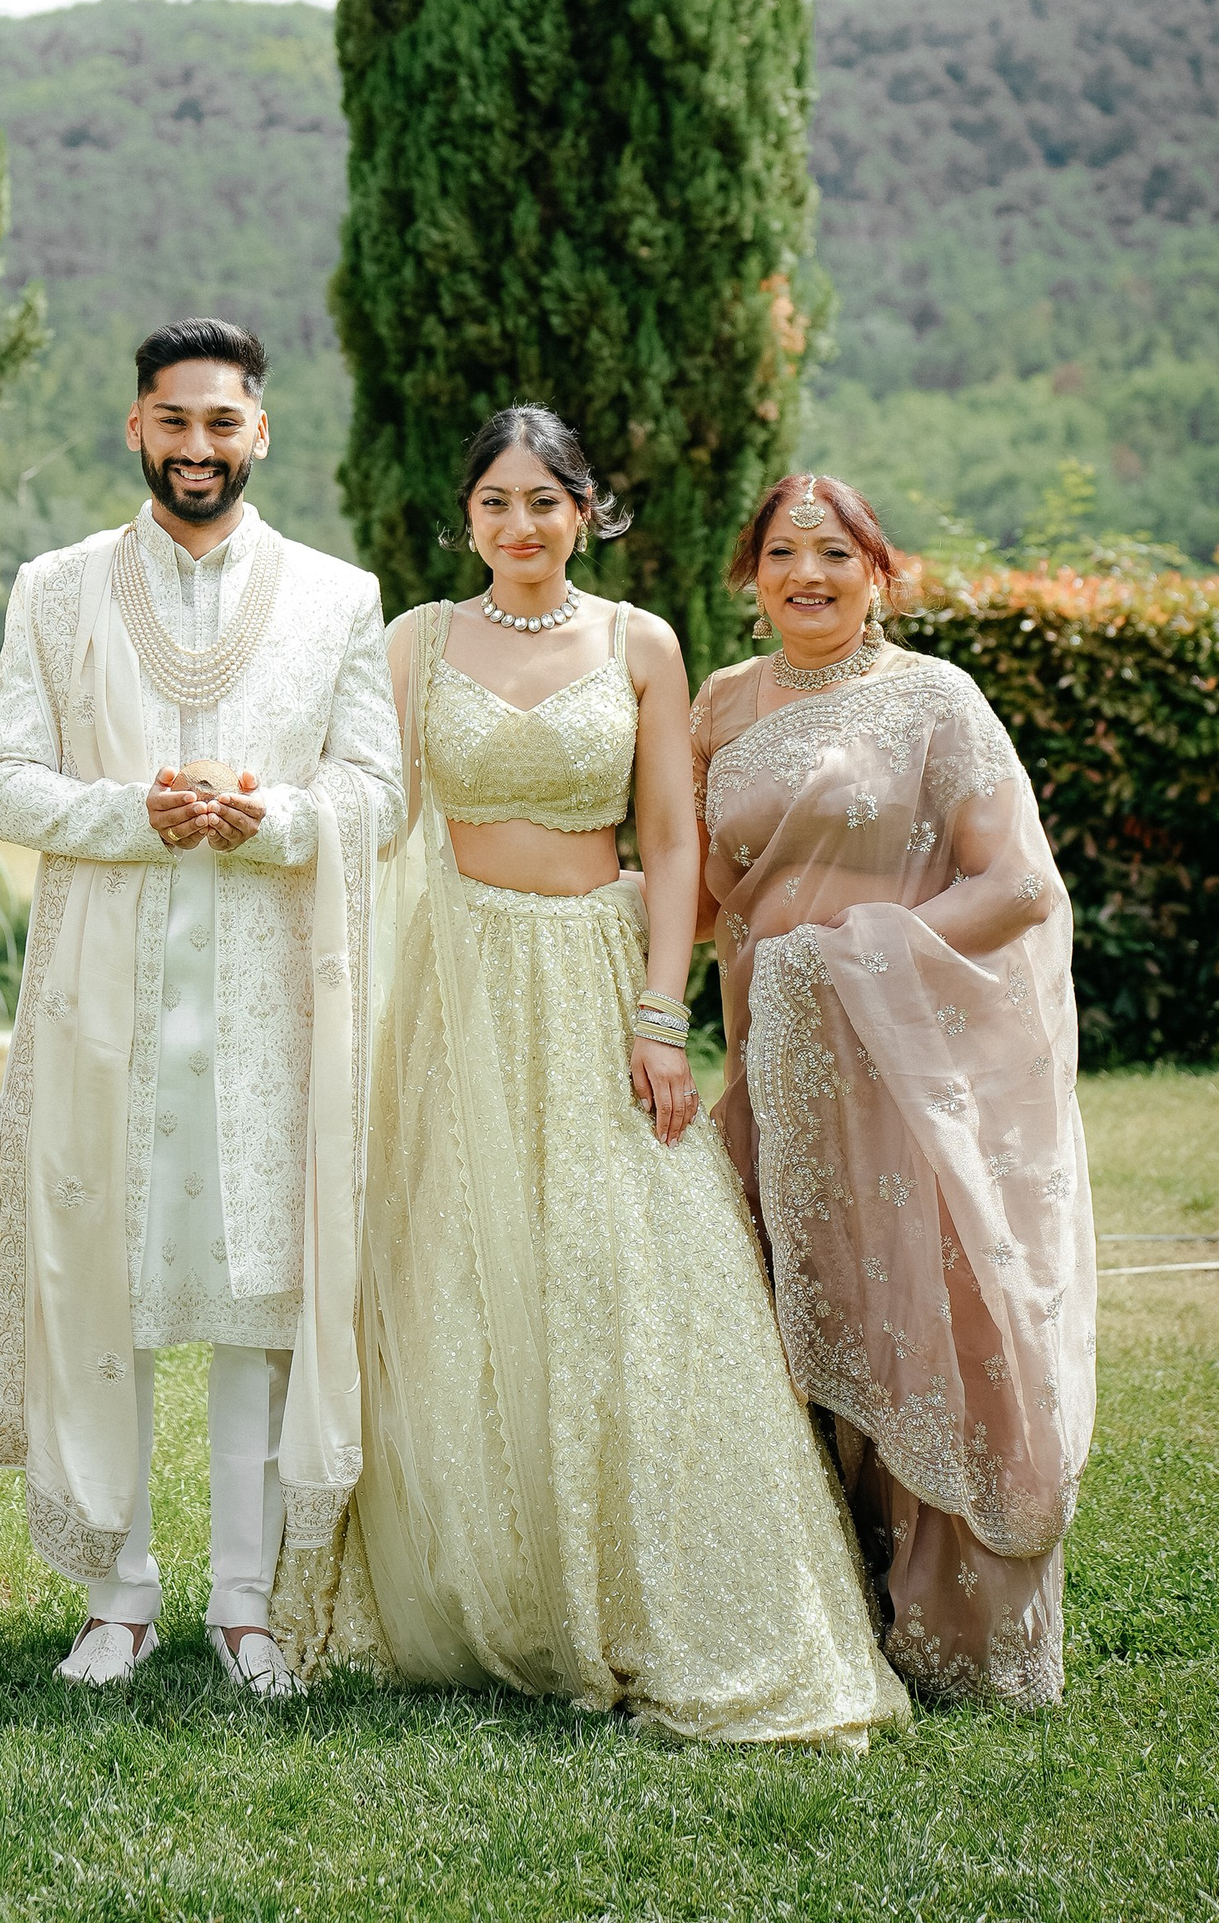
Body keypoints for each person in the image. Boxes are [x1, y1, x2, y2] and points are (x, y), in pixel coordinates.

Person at [278, 406, 907, 1745]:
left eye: (544, 503)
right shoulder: (413, 642)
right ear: (467, 519)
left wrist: (659, 1014)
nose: (520, 526)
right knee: (453, 1269)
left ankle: (649, 1592)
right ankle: (481, 1584)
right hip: (451, 984)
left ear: (586, 512)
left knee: (631, 1265)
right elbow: (374, 815)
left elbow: (672, 839)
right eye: (496, 503)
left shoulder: (640, 643)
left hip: (589, 979)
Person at [0, 317, 401, 1697]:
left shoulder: (341, 594)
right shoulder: (54, 587)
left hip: (276, 999)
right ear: (137, 424)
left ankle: (247, 1599)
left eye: (224, 422)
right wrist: (136, 810)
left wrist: (271, 816)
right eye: (175, 419)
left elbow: (379, 796)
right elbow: (5, 780)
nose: (199, 445)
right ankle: (118, 1591)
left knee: (255, 1295)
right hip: (105, 992)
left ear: (261, 432)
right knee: (104, 1277)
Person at [696, 470, 1096, 1708]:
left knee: (913, 1319)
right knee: (771, 1320)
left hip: (898, 1073)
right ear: (750, 575)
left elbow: (1017, 882)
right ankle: (812, 1610)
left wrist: (857, 951)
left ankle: (948, 1625)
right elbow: (694, 886)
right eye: (781, 552)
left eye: (832, 552)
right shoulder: (716, 705)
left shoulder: (935, 701)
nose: (805, 574)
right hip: (768, 1067)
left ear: (878, 571)